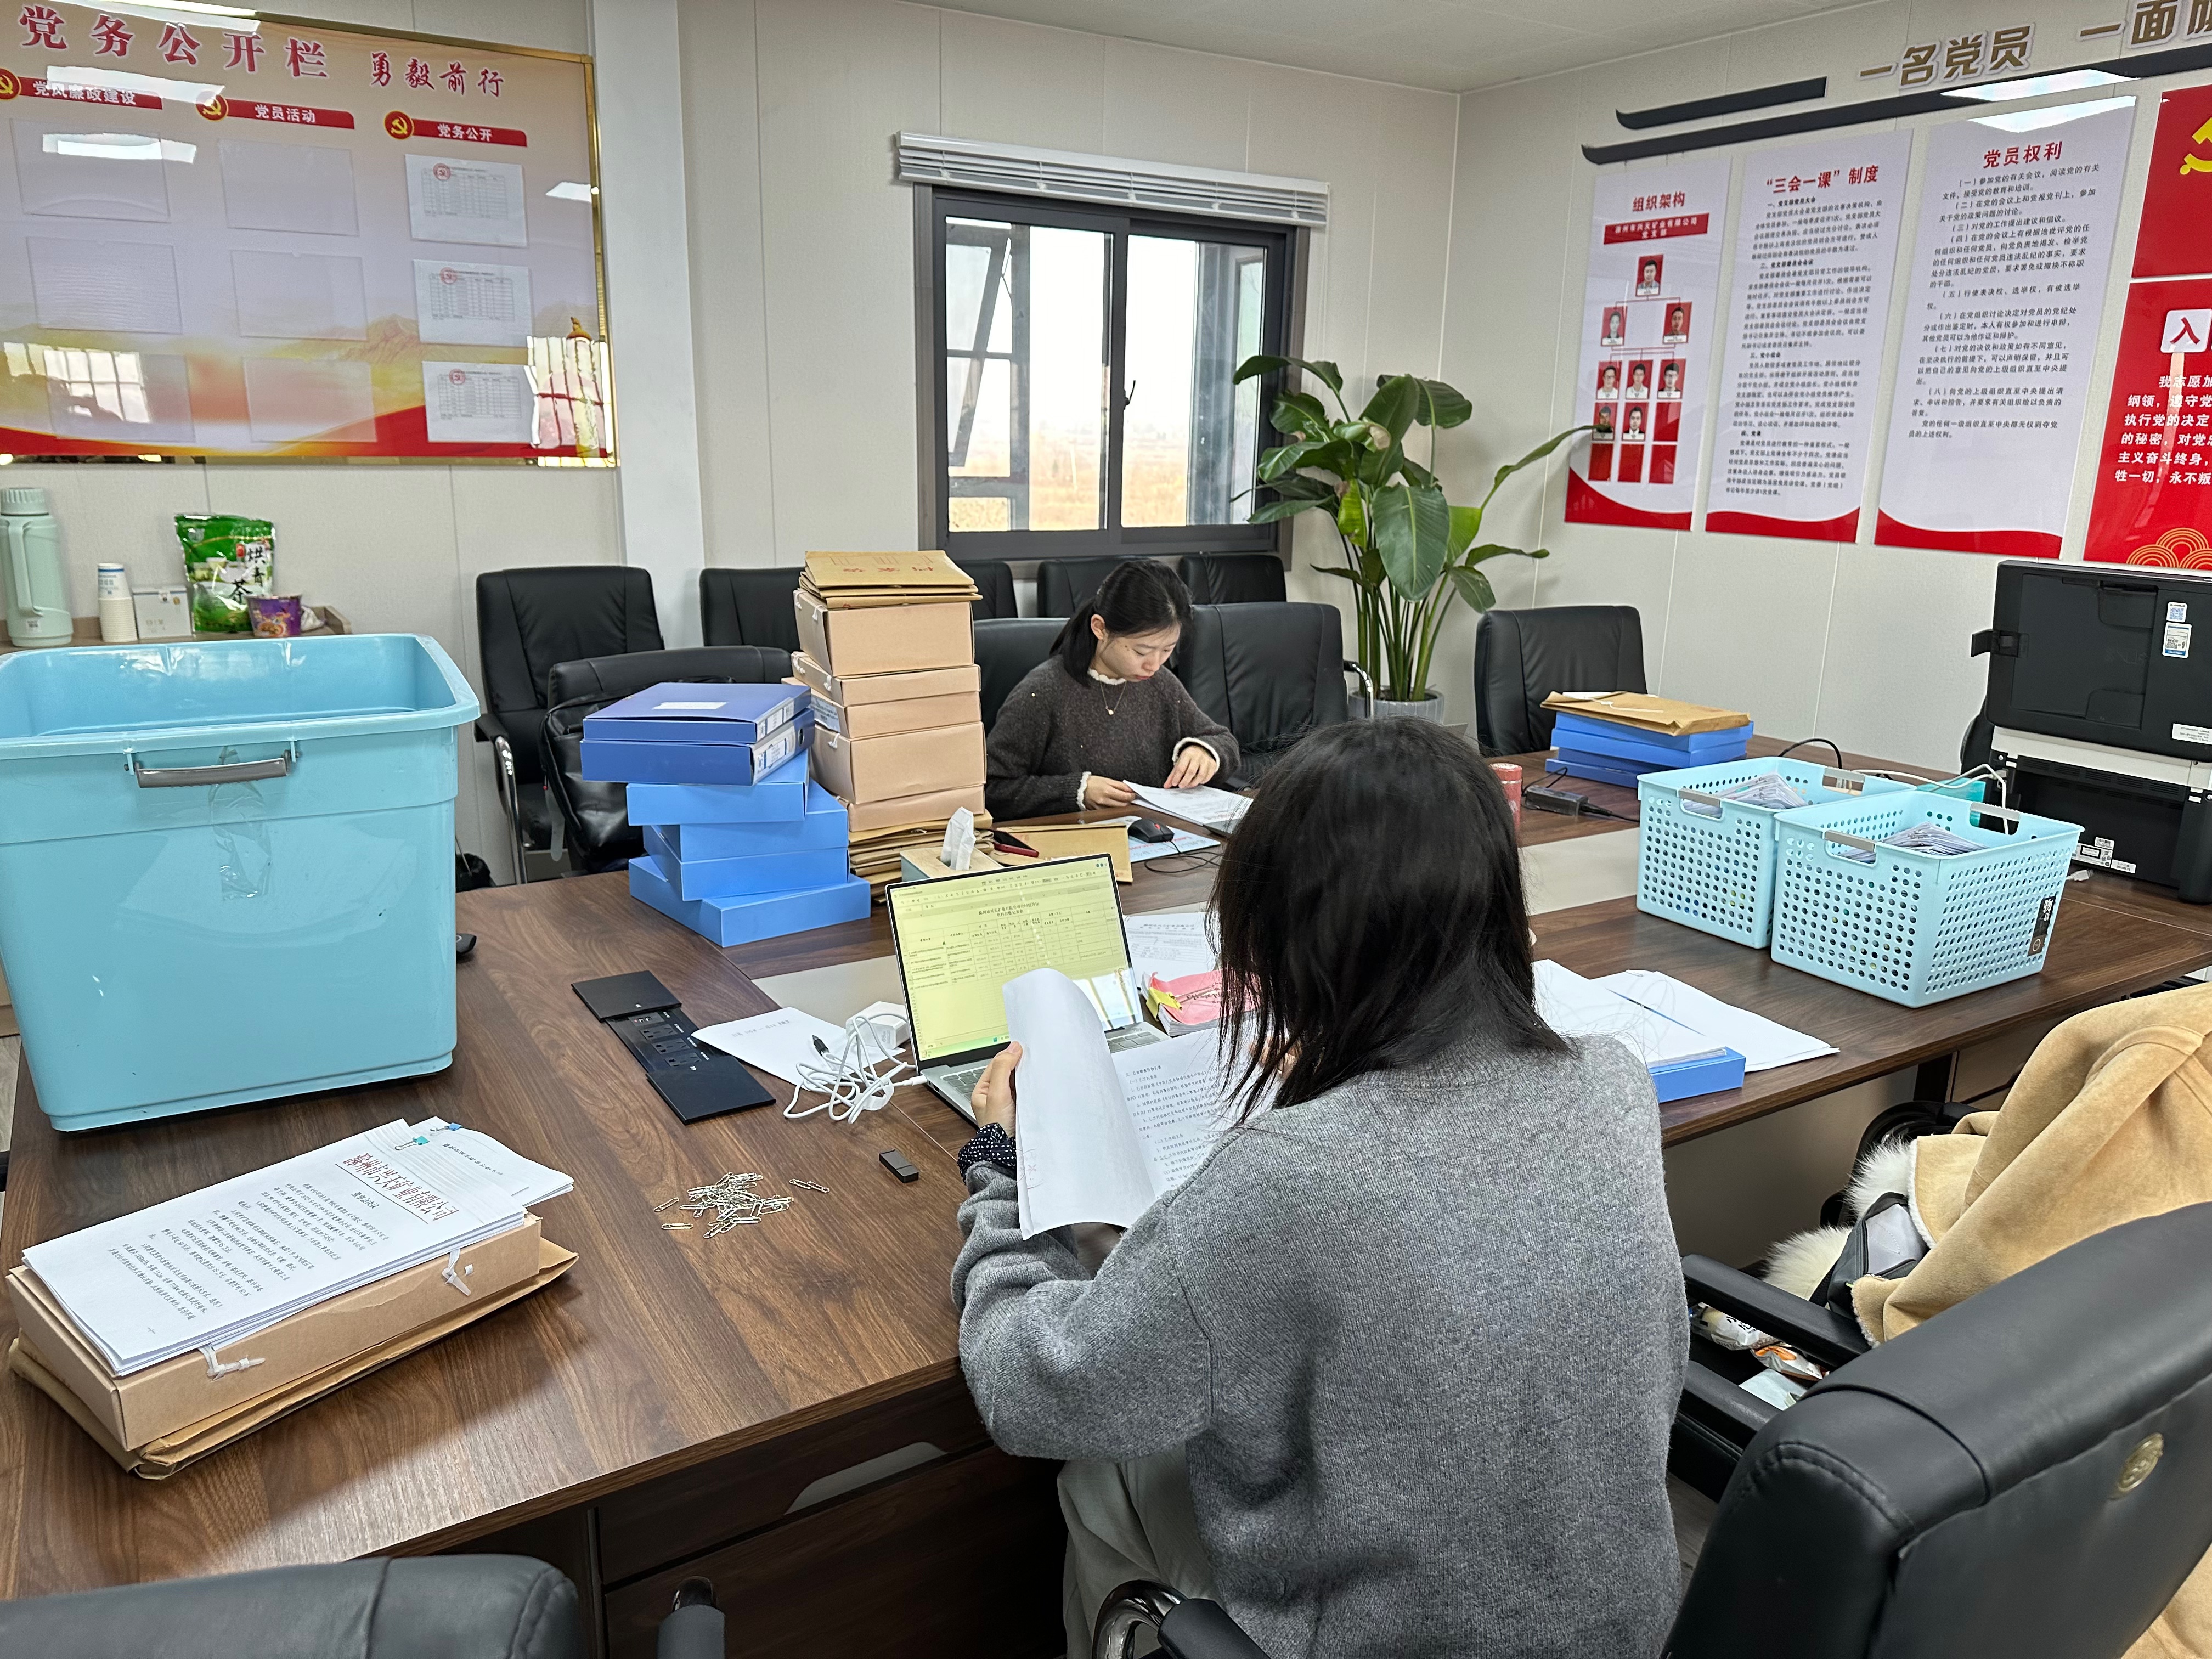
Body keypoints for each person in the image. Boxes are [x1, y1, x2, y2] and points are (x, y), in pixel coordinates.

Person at [951, 720, 1688, 1659]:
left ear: (1292, 945)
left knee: (1099, 1474)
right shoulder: (1613, 1083)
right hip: (1625, 1623)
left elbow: (1033, 1391)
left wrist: (1001, 1167)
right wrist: (1343, 1072)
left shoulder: (1290, 1175)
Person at [985, 561, 1238, 820]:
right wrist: (1076, 791)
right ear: (1100, 628)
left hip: (1156, 833)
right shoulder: (1043, 691)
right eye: (1141, 651)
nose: (1154, 665)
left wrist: (1204, 751)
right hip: (1083, 838)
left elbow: (1222, 739)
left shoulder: (1160, 682)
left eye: (1167, 650)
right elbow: (991, 789)